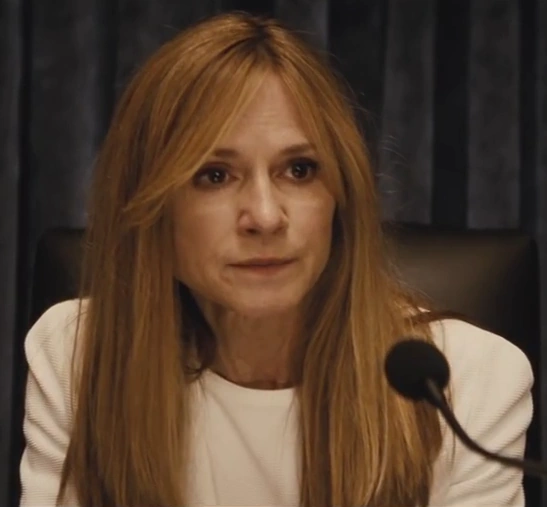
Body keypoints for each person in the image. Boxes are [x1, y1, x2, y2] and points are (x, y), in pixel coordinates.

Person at [20, 11, 533, 507]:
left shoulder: (467, 382)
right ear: (151, 207)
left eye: (300, 170)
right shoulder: (78, 357)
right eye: (214, 175)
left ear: (342, 197)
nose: (265, 217)